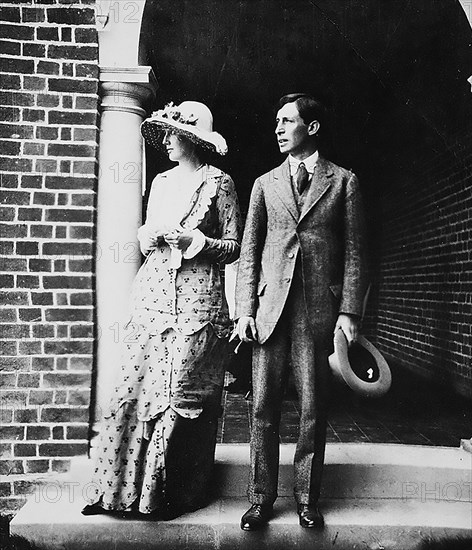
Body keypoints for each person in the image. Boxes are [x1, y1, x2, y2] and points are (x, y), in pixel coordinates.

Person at [82, 101, 241, 519]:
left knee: (178, 393)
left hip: (196, 300)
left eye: (173, 134)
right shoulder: (160, 181)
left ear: (191, 139)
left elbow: (235, 246)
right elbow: (146, 240)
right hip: (153, 294)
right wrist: (149, 236)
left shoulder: (219, 183)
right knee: (134, 385)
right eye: (166, 133)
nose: (167, 141)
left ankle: (167, 497)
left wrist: (199, 242)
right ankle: (115, 494)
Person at [235, 93, 367, 530]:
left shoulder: (342, 181)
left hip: (317, 313)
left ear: (311, 128)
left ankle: (307, 500)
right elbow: (249, 251)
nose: (277, 128)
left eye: (286, 121)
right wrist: (245, 309)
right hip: (270, 311)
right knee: (263, 408)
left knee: (313, 408)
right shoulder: (264, 183)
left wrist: (348, 312)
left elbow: (354, 250)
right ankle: (260, 499)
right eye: (275, 121)